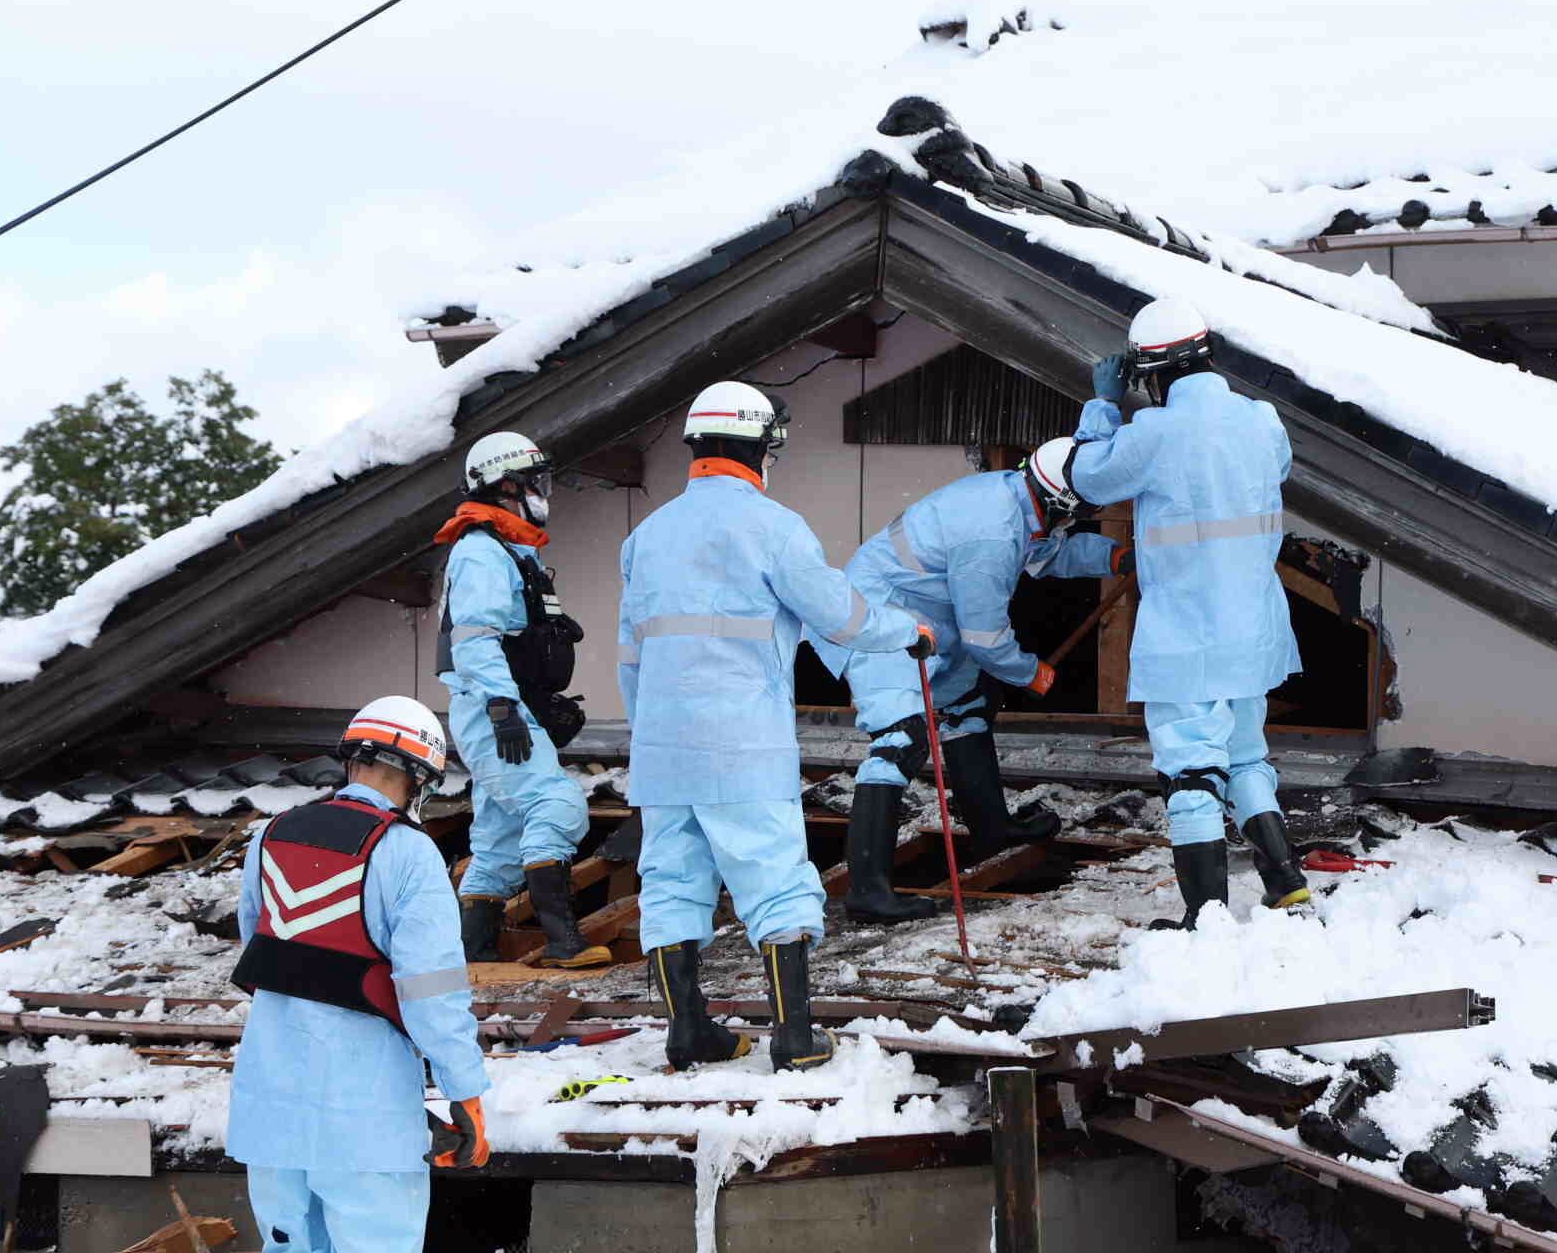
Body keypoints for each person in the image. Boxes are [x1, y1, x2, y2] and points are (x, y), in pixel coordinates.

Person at [618, 381, 929, 1071]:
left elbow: (631, 657)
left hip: (663, 748)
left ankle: (687, 1031)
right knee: (774, 877)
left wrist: (652, 738)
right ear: (761, 447)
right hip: (743, 743)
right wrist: (908, 631)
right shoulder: (774, 527)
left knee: (670, 883)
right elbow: (840, 616)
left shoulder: (645, 538)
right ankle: (793, 1037)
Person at [226, 697, 492, 1253]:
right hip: (365, 1113)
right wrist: (464, 1092)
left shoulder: (270, 837)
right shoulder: (407, 857)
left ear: (353, 756)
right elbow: (434, 995)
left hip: (271, 1103)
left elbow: (257, 947)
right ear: (418, 774)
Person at [812, 439, 1129, 922]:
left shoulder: (1019, 498)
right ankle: (868, 891)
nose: (1079, 517)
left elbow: (1048, 554)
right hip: (877, 618)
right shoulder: (992, 534)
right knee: (901, 740)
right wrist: (1031, 672)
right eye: (1079, 509)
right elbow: (984, 637)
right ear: (1060, 498)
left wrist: (1114, 558)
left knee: (969, 707)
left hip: (931, 616)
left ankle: (993, 830)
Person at [1071, 298, 1313, 928]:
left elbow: (1089, 480)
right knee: (1246, 759)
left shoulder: (1153, 432)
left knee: (1191, 774)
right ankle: (1285, 883)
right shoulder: (1261, 420)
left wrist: (1104, 406)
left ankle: (1204, 916)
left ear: (1150, 374)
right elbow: (1274, 472)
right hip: (1254, 630)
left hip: (1187, 637)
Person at [435, 430, 606, 969]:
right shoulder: (484, 552)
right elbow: (476, 640)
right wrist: (503, 708)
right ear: (505, 486)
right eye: (536, 483)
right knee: (557, 805)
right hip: (493, 708)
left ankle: (476, 951)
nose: (543, 493)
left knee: (500, 834)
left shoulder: (508, 551)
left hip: (501, 705)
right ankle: (563, 942)